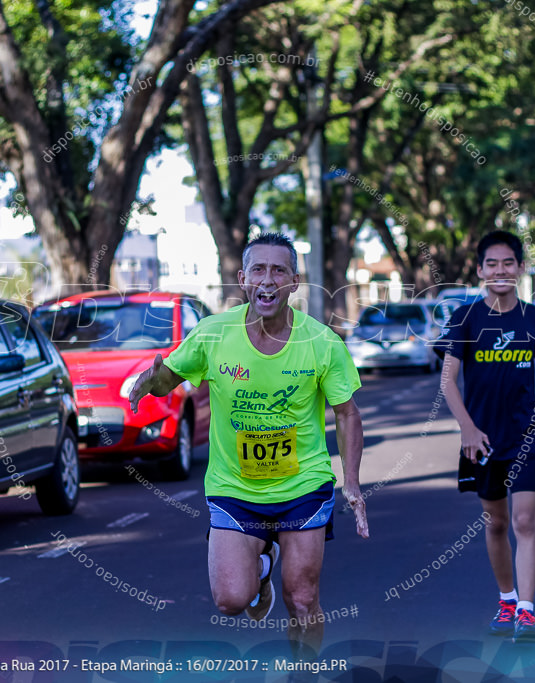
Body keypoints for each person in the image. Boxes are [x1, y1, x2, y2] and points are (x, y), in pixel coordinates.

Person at [128, 232, 369, 661]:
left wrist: (351, 482)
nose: (268, 279)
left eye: (279, 270)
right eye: (259, 269)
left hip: (303, 486)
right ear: (243, 279)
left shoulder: (321, 343)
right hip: (235, 488)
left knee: (301, 598)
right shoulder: (213, 335)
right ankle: (260, 569)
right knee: (230, 600)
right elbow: (172, 374)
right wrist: (150, 383)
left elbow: (347, 413)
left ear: (294, 282)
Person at [437, 230, 535, 643]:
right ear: (479, 270)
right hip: (483, 441)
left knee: (525, 520)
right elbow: (448, 381)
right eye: (492, 264)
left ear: (521, 268)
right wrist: (468, 429)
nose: (501, 270)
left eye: (508, 263)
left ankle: (527, 611)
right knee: (496, 524)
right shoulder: (465, 318)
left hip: (528, 436)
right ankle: (507, 599)